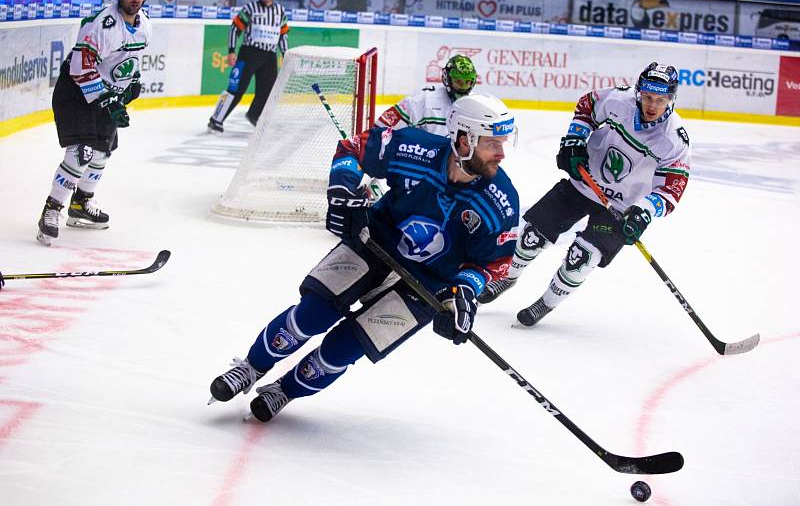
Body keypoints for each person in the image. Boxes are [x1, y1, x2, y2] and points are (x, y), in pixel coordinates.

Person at [208, 93, 520, 422]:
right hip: (375, 242)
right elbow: (353, 150)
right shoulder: (416, 148)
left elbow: (492, 263)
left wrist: (464, 291)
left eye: (503, 143)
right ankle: (252, 366)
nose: (501, 154)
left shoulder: (502, 201)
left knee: (344, 348)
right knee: (311, 316)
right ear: (463, 139)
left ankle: (285, 390)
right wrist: (342, 190)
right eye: (492, 143)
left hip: (430, 282)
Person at [477, 63, 691, 327]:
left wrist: (644, 211)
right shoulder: (618, 100)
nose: (652, 105)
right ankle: (508, 277)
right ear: (638, 92)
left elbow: (671, 190)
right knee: (532, 235)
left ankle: (547, 302)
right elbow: (587, 105)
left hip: (622, 207)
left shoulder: (674, 140)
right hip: (585, 183)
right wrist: (574, 140)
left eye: (660, 99)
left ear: (672, 99)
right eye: (647, 97)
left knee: (583, 256)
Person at [36, 0, 151, 246]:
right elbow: (80, 68)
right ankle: (51, 210)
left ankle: (81, 203)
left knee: (102, 152)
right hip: (76, 91)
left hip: (104, 93)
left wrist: (132, 83)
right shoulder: (103, 24)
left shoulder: (145, 25)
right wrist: (108, 100)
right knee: (81, 152)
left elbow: (129, 60)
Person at [208, 0, 288, 133]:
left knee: (268, 91)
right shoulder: (250, 8)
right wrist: (231, 51)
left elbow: (283, 35)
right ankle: (216, 119)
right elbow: (234, 29)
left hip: (269, 56)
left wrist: (285, 54)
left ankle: (254, 115)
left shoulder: (280, 11)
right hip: (249, 54)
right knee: (235, 88)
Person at [375, 54, 477, 137]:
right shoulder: (422, 100)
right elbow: (380, 128)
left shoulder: (477, 106)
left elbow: (491, 134)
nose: (463, 87)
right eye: (458, 82)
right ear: (447, 79)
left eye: (468, 82)